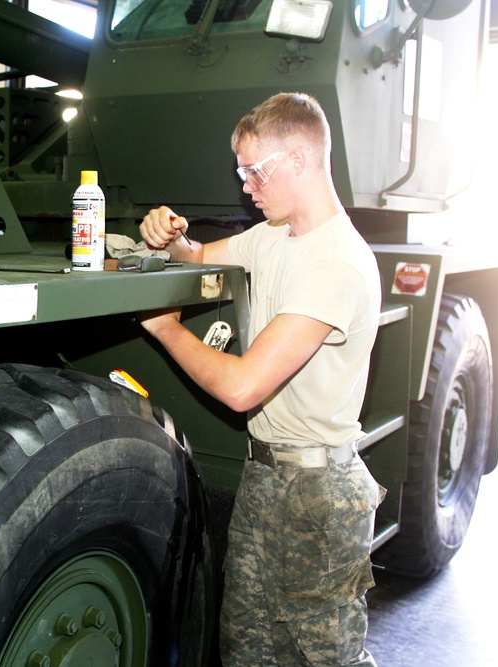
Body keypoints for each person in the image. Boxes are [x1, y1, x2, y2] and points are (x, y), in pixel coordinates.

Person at [139, 92, 384, 666]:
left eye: (256, 171)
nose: (246, 185)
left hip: (319, 497)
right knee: (248, 648)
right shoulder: (272, 236)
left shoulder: (337, 264)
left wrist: (167, 330)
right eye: (242, 171)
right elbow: (197, 256)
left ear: (299, 161)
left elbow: (244, 386)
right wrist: (169, 236)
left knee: (322, 657)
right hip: (265, 476)